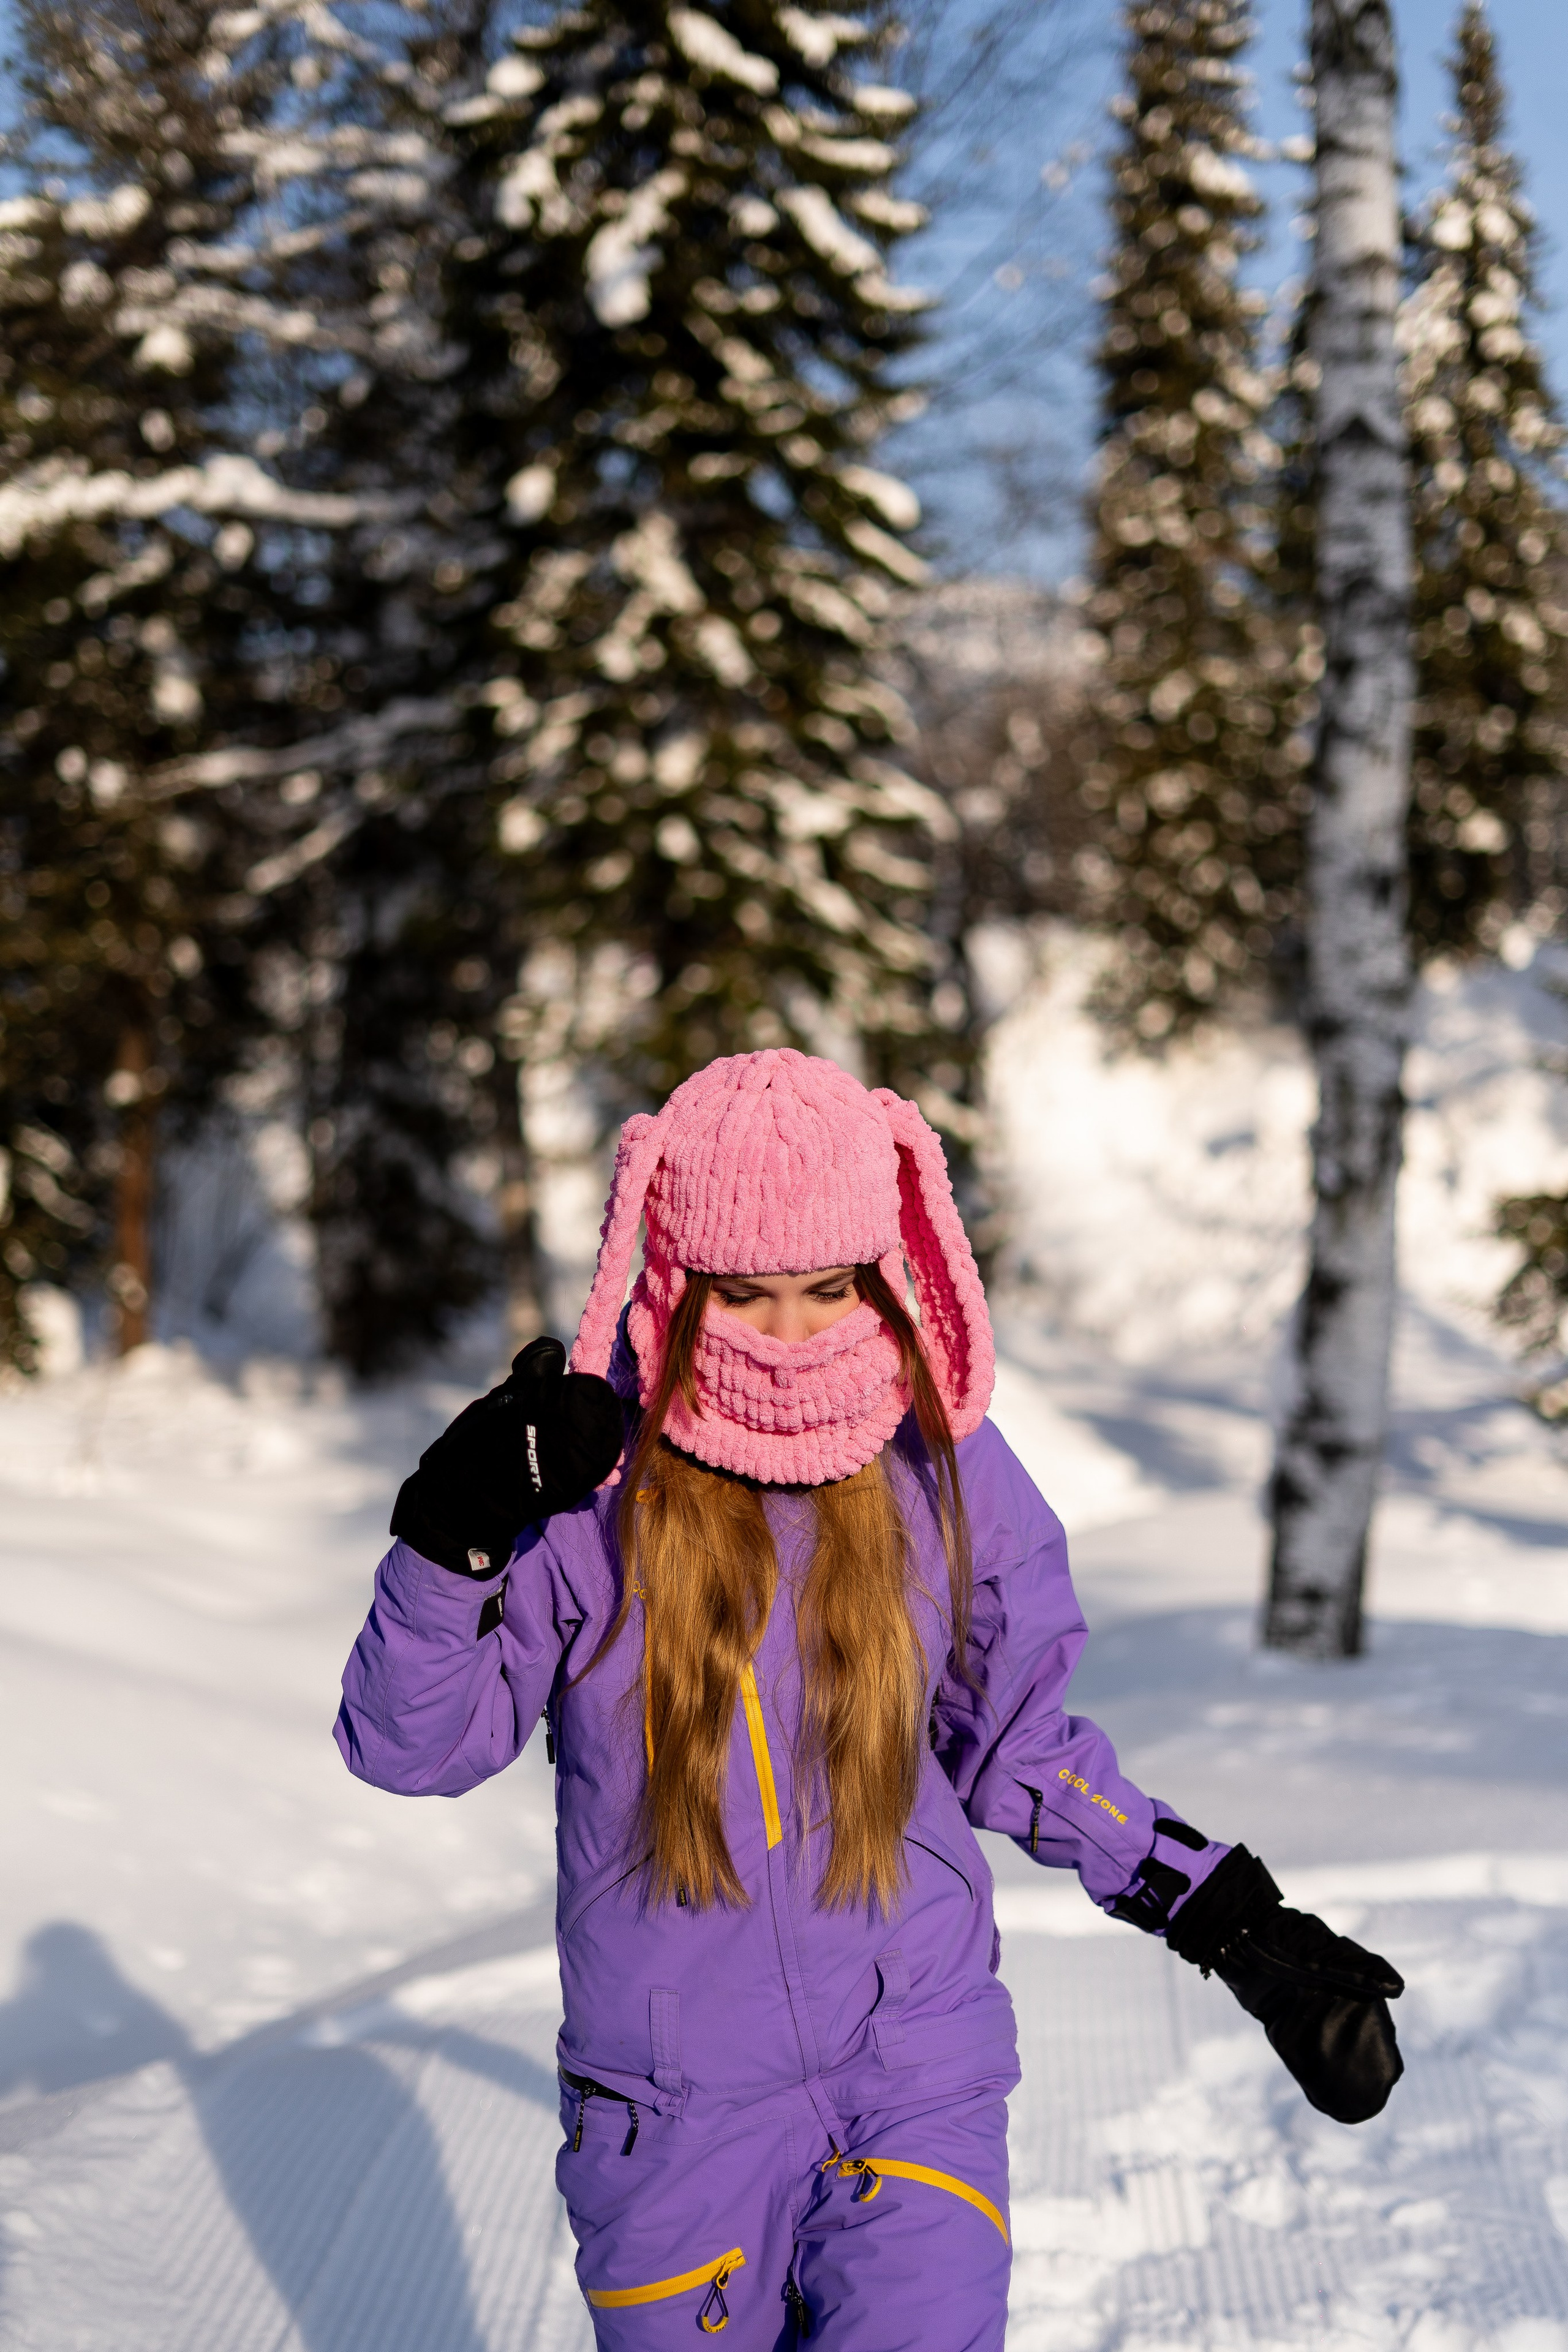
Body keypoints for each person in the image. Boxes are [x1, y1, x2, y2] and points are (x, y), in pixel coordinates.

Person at [336, 1049, 1403, 2350]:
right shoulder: (584, 1489)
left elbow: (1023, 1745)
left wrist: (1227, 1916)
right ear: (673, 1278)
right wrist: (455, 1535)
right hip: (673, 2114)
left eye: (828, 1288)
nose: (789, 1336)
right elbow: (414, 1746)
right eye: (743, 1293)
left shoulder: (939, 1465)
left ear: (886, 1271)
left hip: (915, 2072)